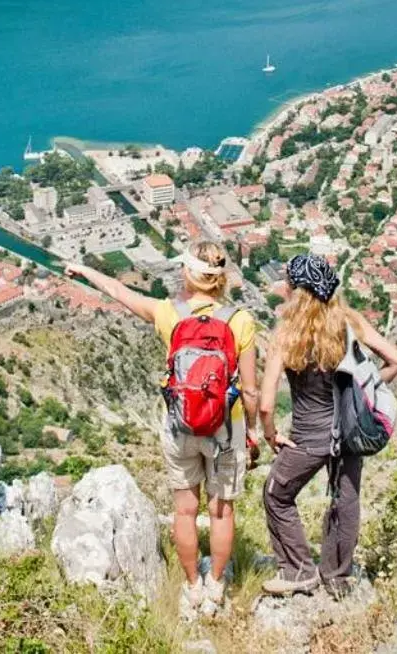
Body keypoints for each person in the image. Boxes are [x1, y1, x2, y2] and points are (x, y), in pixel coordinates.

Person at [66, 242, 260, 619]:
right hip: (226, 428)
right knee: (221, 513)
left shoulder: (169, 313)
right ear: (221, 279)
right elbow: (250, 390)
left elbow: (120, 293)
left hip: (180, 424)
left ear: (188, 274)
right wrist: (250, 433)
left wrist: (85, 270)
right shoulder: (241, 321)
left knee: (184, 512)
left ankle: (191, 585)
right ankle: (216, 586)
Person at [257, 253, 397, 598]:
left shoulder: (287, 335)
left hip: (308, 437)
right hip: (349, 432)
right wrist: (362, 393)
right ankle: (337, 577)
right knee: (346, 499)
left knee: (276, 494)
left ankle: (297, 572)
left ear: (296, 291)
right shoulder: (349, 322)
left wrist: (270, 434)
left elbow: (265, 403)